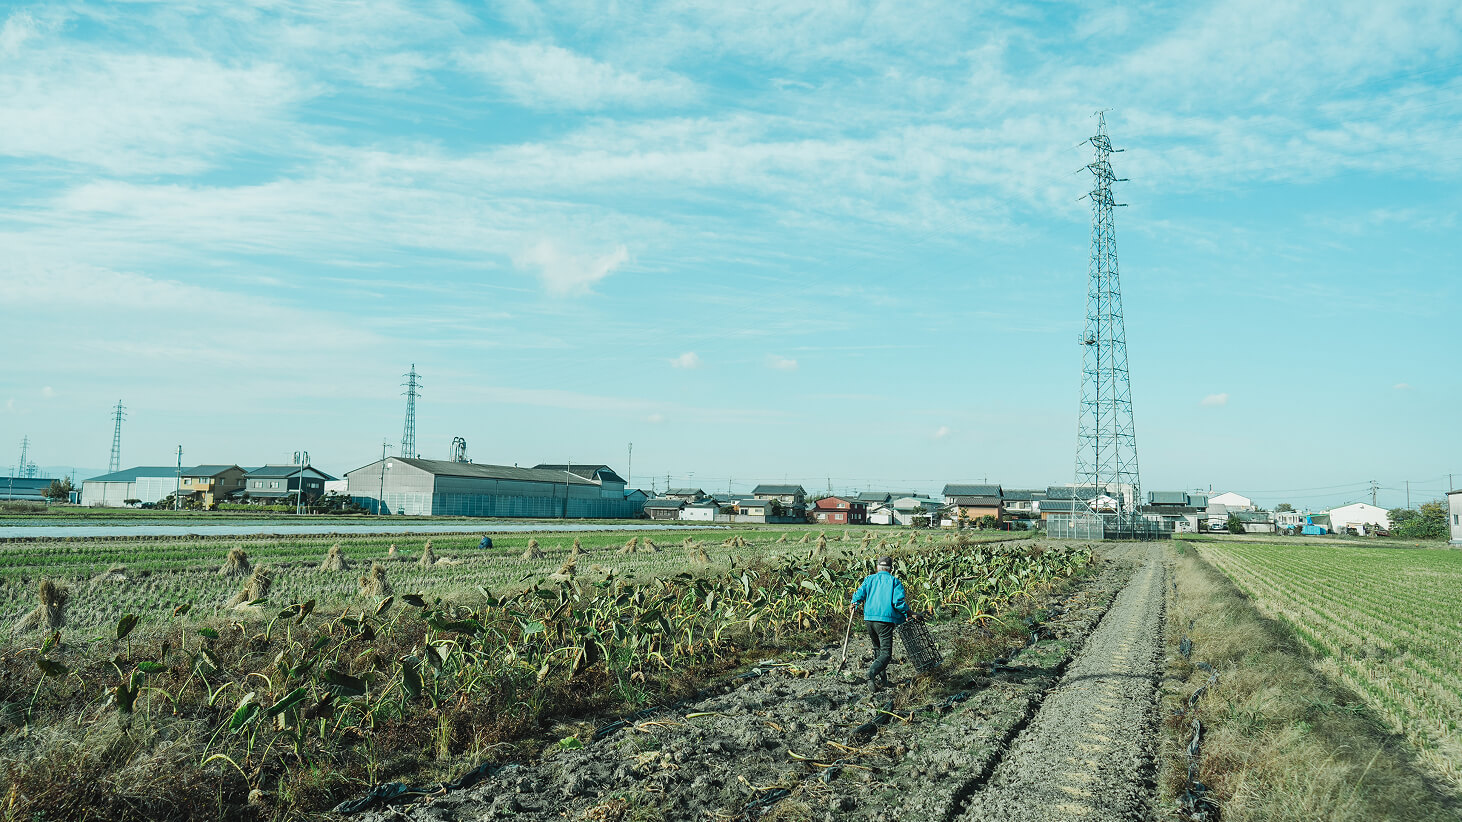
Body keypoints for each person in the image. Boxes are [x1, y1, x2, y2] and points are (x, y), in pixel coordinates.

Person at [850, 555, 908, 693]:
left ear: (877, 567)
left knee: (877, 649)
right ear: (891, 569)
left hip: (869, 619)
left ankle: (883, 681)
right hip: (884, 621)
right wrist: (907, 613)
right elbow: (898, 603)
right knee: (886, 654)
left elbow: (859, 594)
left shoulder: (869, 579)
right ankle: (871, 673)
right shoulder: (894, 582)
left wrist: (854, 603)